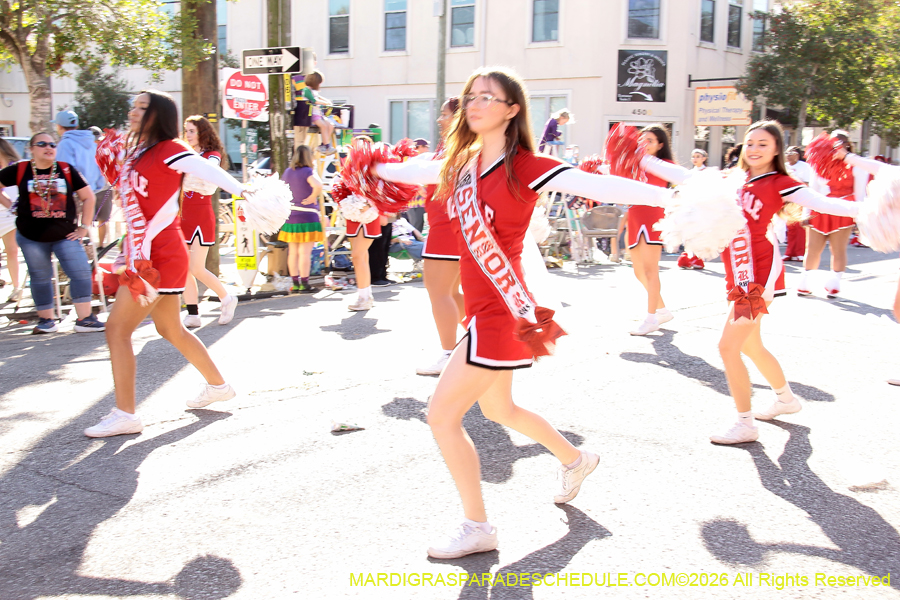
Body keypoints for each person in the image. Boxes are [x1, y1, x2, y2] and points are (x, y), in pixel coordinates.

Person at [374, 66, 673, 559]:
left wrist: (671, 197)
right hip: (485, 310)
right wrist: (369, 169)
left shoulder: (527, 166)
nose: (474, 104)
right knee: (498, 409)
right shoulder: (461, 162)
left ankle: (477, 526)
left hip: (500, 312)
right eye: (470, 96)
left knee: (442, 416)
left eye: (488, 97)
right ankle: (576, 458)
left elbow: (599, 186)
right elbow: (411, 173)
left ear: (513, 109)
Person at [641, 120, 861, 445]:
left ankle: (745, 423)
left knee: (728, 347)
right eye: (750, 142)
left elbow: (826, 203)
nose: (755, 149)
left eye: (763, 144)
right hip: (738, 270)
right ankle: (786, 399)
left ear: (776, 150)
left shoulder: (780, 182)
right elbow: (686, 178)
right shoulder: (734, 179)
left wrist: (870, 210)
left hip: (757, 274)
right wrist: (640, 158)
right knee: (750, 345)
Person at [84, 90, 249, 438]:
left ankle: (125, 414)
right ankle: (219, 386)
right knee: (170, 329)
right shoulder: (138, 152)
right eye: (133, 106)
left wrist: (245, 192)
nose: (132, 112)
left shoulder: (170, 149)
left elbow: (205, 168)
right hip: (152, 251)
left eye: (141, 108)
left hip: (158, 257)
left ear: (157, 115)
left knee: (117, 329)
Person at [0, 132, 104, 333]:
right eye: (42, 144)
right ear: (31, 149)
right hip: (31, 236)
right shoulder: (21, 169)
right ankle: (46, 321)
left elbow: (88, 197)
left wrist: (84, 227)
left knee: (81, 272)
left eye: (52, 144)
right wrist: (10, 206)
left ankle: (85, 319)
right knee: (40, 276)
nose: (48, 147)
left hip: (65, 234)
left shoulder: (66, 169)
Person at [416, 97, 465, 376]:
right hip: (447, 225)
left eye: (444, 115)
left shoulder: (456, 148)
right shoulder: (454, 147)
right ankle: (481, 340)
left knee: (438, 292)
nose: (439, 119)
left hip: (446, 227)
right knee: (450, 292)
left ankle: (449, 354)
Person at [180, 115, 238, 328]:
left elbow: (209, 171)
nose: (188, 135)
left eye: (192, 131)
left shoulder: (211, 154)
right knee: (183, 267)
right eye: (186, 131)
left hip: (200, 213)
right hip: (182, 213)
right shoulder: (184, 154)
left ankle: (227, 297)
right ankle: (193, 313)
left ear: (203, 132)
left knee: (196, 267)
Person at [798, 130, 868, 298]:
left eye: (841, 143)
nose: (836, 146)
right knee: (813, 248)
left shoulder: (857, 165)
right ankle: (805, 282)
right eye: (833, 143)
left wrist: (861, 218)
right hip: (820, 208)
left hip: (844, 209)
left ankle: (834, 283)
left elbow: (860, 194)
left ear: (847, 145)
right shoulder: (819, 164)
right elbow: (812, 190)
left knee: (838, 250)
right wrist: (806, 213)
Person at [625, 125, 675, 335]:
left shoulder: (665, 165)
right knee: (638, 271)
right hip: (634, 217)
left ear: (660, 145)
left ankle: (651, 318)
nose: (644, 144)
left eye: (650, 141)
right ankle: (662, 310)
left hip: (652, 219)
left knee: (650, 270)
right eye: (642, 140)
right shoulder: (634, 165)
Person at [279, 144, 325, 293]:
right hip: (307, 216)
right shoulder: (308, 171)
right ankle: (305, 284)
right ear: (308, 157)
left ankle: (295, 283)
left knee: (292, 252)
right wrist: (312, 197)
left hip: (291, 216)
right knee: (305, 252)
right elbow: (318, 185)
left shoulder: (287, 172)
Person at [0, 138, 22, 301]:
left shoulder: (16, 166)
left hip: (9, 214)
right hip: (7, 210)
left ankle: (16, 287)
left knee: (12, 251)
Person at [783, 146, 811, 261]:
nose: (788, 155)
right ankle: (790, 252)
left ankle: (800, 252)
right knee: (790, 227)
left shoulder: (804, 167)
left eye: (791, 153)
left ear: (797, 155)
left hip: (800, 198)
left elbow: (807, 183)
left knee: (799, 226)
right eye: (787, 153)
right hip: (788, 199)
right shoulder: (784, 166)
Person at [302, 71, 337, 154]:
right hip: (312, 114)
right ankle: (326, 145)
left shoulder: (314, 91)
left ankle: (324, 144)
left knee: (330, 125)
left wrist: (327, 101)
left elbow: (319, 98)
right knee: (324, 126)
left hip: (318, 114)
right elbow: (314, 100)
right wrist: (325, 103)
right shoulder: (307, 90)